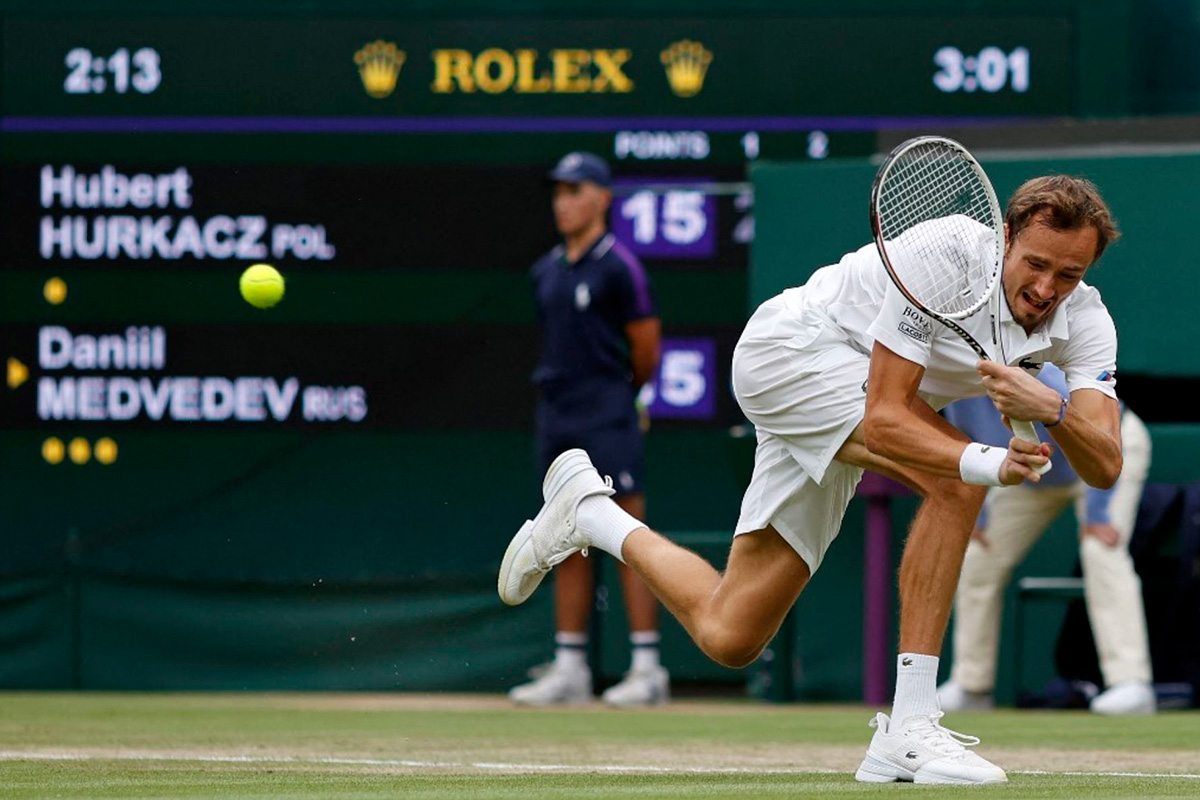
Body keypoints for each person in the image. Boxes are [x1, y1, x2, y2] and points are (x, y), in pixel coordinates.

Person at [500, 175, 1123, 784]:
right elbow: (884, 418)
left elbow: (1105, 465)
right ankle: (909, 725)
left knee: (731, 633)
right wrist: (988, 462)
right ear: (1006, 235)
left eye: (1068, 275)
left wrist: (1055, 408)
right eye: (1035, 264)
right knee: (956, 482)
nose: (1046, 288)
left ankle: (591, 514)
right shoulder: (947, 254)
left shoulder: (1086, 322)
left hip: (842, 394)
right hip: (789, 352)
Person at [508, 151, 668, 707]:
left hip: (607, 413)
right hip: (557, 415)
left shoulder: (620, 266)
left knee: (629, 538)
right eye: (558, 191)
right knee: (562, 536)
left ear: (602, 198)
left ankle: (647, 667)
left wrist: (619, 396)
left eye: (575, 190)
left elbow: (646, 348)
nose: (564, 201)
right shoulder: (546, 271)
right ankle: (571, 665)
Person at [938, 364, 1154, 714]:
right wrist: (978, 517)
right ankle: (971, 686)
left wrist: (1099, 512)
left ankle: (1131, 683)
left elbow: (1103, 431)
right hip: (1036, 470)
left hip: (1106, 456)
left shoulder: (1039, 373)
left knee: (1101, 550)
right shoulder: (955, 388)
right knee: (978, 556)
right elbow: (969, 445)